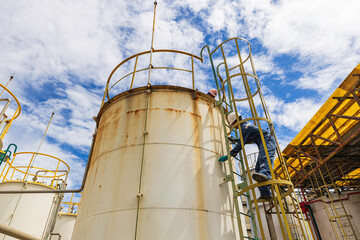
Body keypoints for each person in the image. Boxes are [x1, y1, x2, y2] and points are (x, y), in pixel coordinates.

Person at [218, 112, 276, 200]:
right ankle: (265, 193)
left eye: (232, 124)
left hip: (267, 141)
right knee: (257, 169)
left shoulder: (244, 127)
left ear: (234, 121)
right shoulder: (245, 127)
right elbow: (246, 139)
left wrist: (230, 154)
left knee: (265, 159)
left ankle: (265, 175)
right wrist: (237, 140)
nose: (233, 126)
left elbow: (242, 143)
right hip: (263, 143)